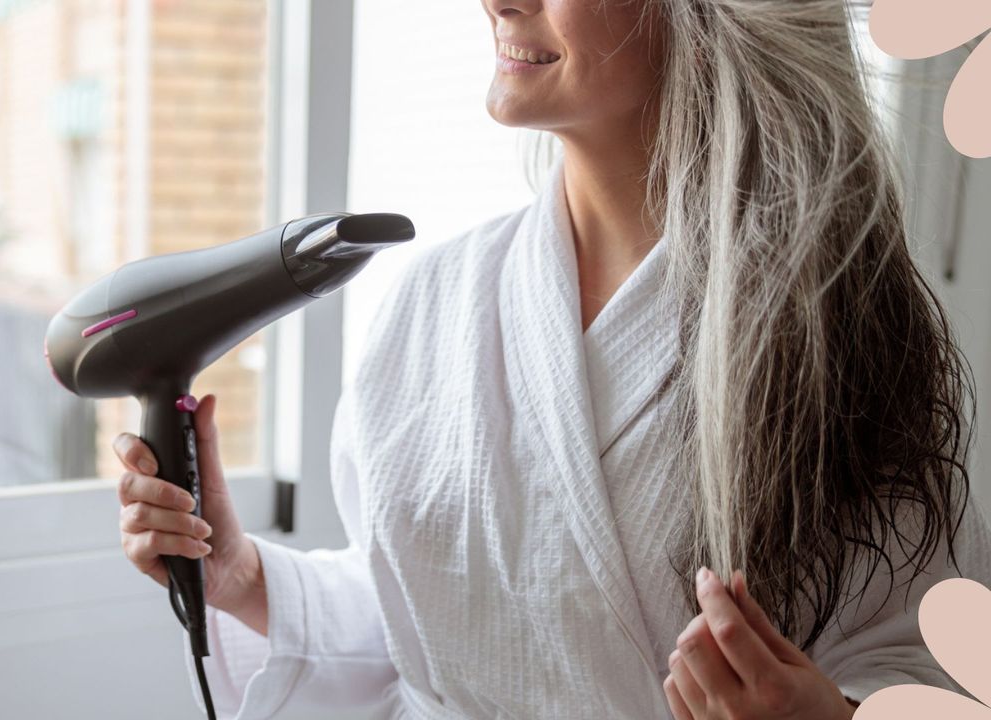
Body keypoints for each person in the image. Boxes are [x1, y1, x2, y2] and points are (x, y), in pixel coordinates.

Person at [111, 0, 991, 717]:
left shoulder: (831, 323)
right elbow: (436, 625)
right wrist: (243, 576)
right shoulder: (433, 302)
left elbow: (925, 658)